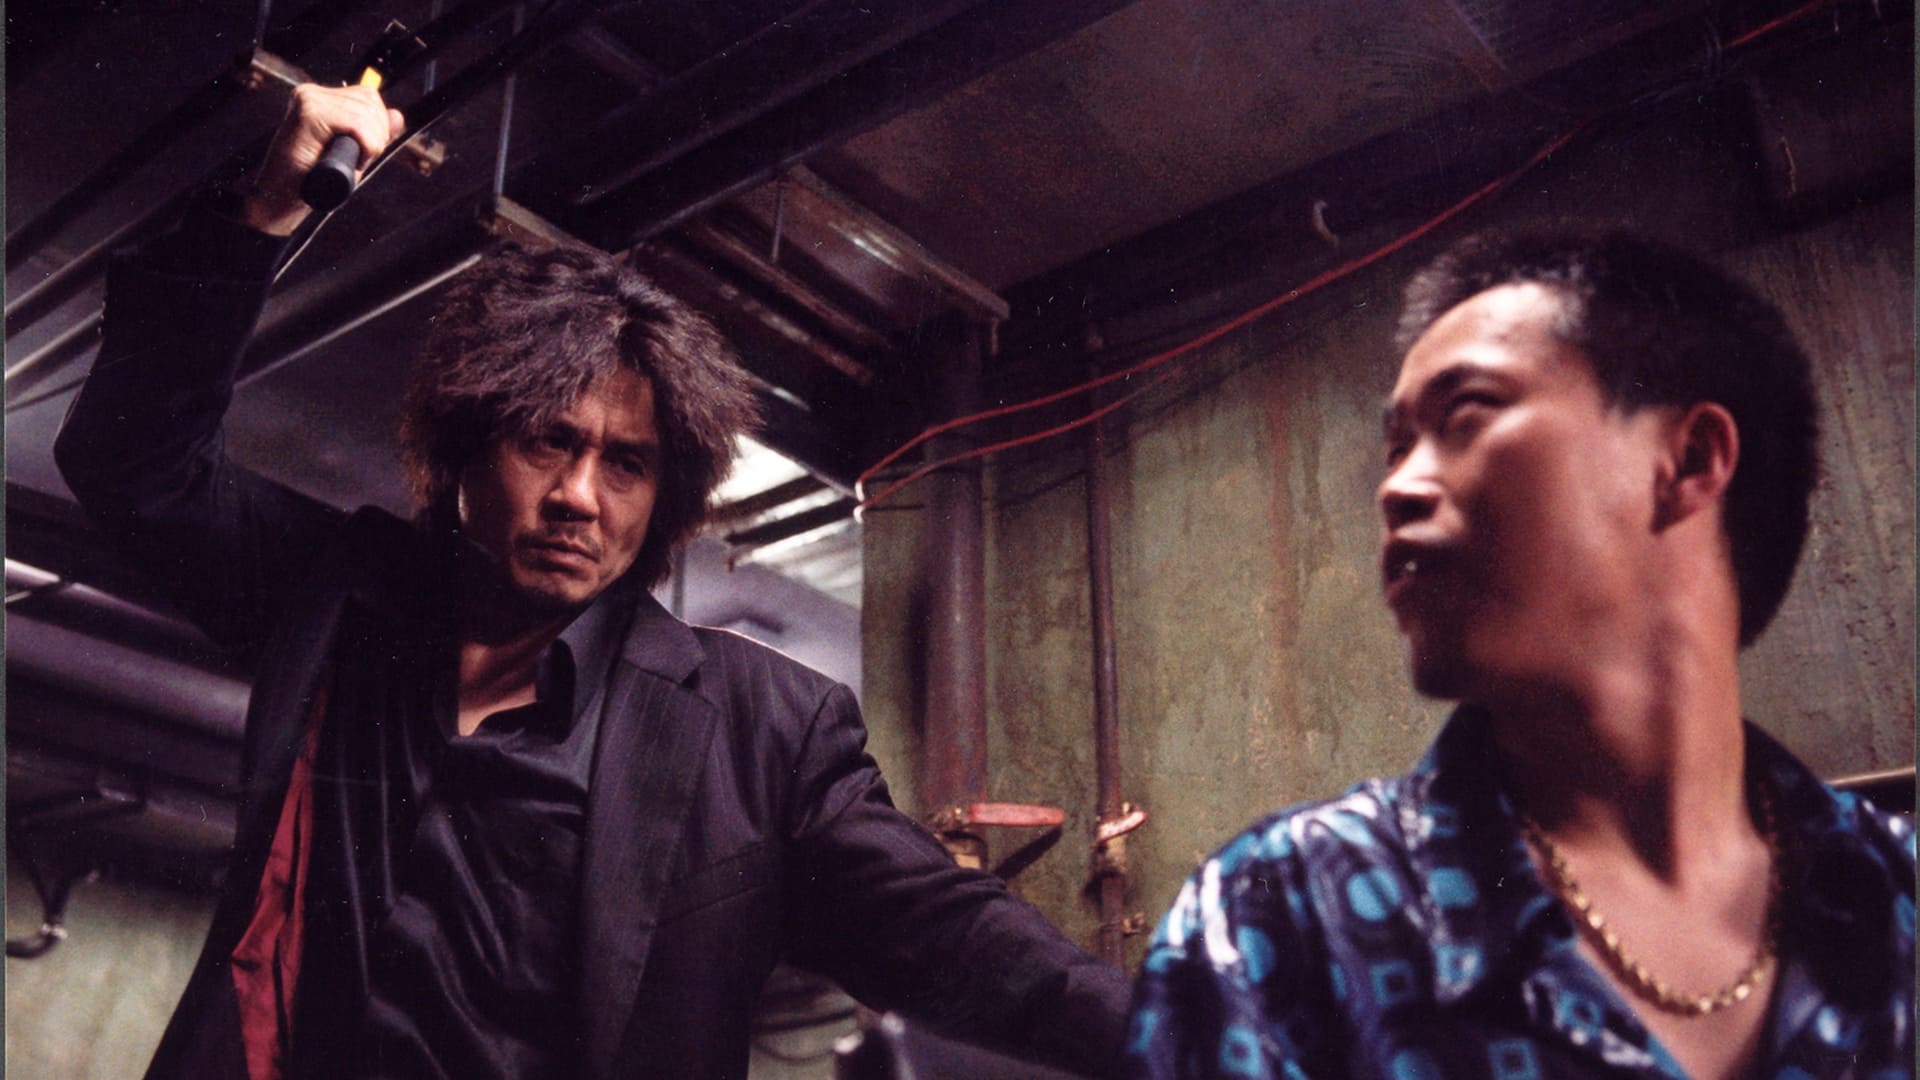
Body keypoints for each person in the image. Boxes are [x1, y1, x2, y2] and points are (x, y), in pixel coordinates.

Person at [54, 83, 1127, 1080]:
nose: (579, 496)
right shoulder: (337, 600)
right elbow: (128, 463)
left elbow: (949, 934)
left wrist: (1177, 1026)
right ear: (463, 451)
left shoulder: (761, 730)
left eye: (626, 465)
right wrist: (263, 211)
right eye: (545, 442)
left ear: (665, 495)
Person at [1124, 226, 1914, 1079]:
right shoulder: (1281, 918)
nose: (1396, 487)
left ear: (1688, 459)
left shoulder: (1896, 894)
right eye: (1396, 448)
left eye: (1466, 413)